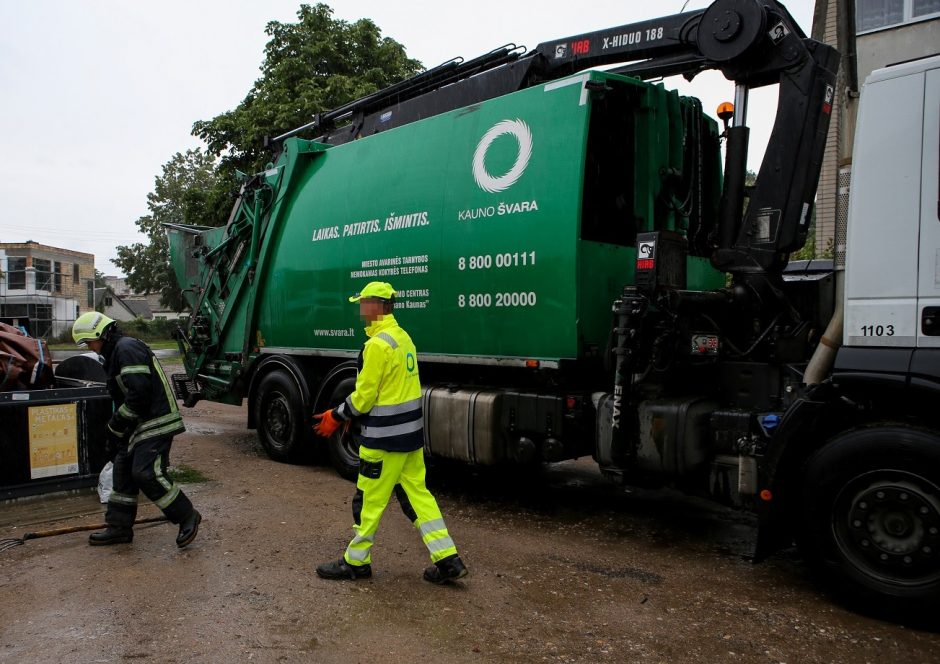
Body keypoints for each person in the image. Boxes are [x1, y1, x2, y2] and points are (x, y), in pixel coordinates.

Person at [313, 281, 468, 584]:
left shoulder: (377, 346)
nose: (359, 308)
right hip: (410, 439)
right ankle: (448, 560)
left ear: (375, 305)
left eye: (362, 303)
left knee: (368, 502)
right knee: (419, 498)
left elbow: (364, 397)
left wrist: (335, 415)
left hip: (383, 440)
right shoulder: (403, 338)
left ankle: (356, 563)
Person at [71, 312, 201, 548]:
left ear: (102, 334)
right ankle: (119, 528)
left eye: (90, 342)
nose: (91, 347)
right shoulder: (116, 353)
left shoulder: (126, 349)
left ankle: (186, 515)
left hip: (155, 422)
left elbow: (138, 396)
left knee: (145, 473)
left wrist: (114, 427)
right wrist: (117, 435)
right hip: (138, 425)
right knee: (122, 470)